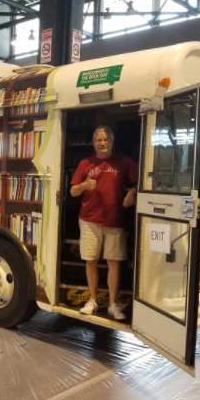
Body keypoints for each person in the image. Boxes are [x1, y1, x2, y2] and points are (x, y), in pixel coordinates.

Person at [70, 126, 138, 320]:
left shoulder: (123, 161)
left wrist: (132, 192)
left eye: (106, 139)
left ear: (111, 141)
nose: (102, 143)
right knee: (90, 260)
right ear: (93, 143)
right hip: (89, 220)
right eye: (99, 140)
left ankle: (112, 305)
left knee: (114, 263)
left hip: (115, 220)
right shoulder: (85, 164)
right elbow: (73, 192)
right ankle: (93, 300)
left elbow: (142, 179)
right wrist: (83, 185)